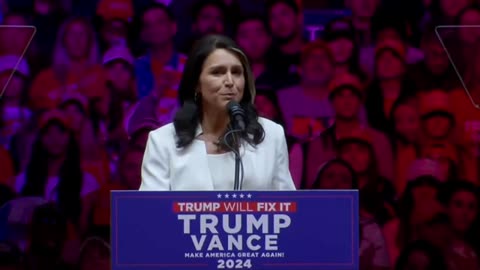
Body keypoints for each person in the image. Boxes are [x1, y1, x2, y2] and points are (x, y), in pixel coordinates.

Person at [139, 35, 295, 191]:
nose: (229, 81)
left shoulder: (271, 135)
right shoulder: (163, 141)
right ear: (196, 84)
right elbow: (152, 211)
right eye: (217, 72)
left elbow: (289, 207)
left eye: (236, 72)